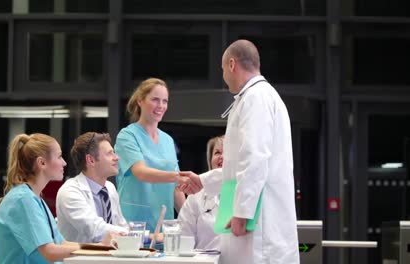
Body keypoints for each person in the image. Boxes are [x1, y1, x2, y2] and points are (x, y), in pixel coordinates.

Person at [212, 39, 299, 264]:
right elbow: (235, 167)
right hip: (258, 221)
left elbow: (254, 158)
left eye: (222, 69)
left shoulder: (256, 97)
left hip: (261, 227)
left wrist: (242, 212)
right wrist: (202, 182)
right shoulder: (255, 97)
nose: (223, 77)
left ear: (232, 64)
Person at [114, 77, 201, 232]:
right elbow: (141, 173)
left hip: (163, 230)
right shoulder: (127, 136)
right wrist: (176, 176)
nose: (161, 106)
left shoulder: (168, 141)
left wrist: (192, 222)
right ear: (140, 101)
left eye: (165, 101)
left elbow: (177, 189)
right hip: (133, 228)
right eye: (155, 100)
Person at [0, 133, 83, 264]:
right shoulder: (23, 199)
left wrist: (100, 247)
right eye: (59, 157)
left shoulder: (34, 198)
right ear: (42, 163)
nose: (64, 163)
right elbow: (50, 252)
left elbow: (61, 243)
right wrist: (98, 249)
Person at [56, 132, 128, 243]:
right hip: (76, 259)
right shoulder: (70, 191)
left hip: (107, 257)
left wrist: (141, 235)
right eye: (109, 153)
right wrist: (134, 235)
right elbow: (95, 229)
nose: (116, 158)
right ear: (91, 160)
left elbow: (121, 225)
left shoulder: (110, 188)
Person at [178, 136, 224, 250]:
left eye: (229, 152)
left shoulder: (247, 193)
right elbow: (182, 239)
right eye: (217, 152)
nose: (222, 157)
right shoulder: (196, 197)